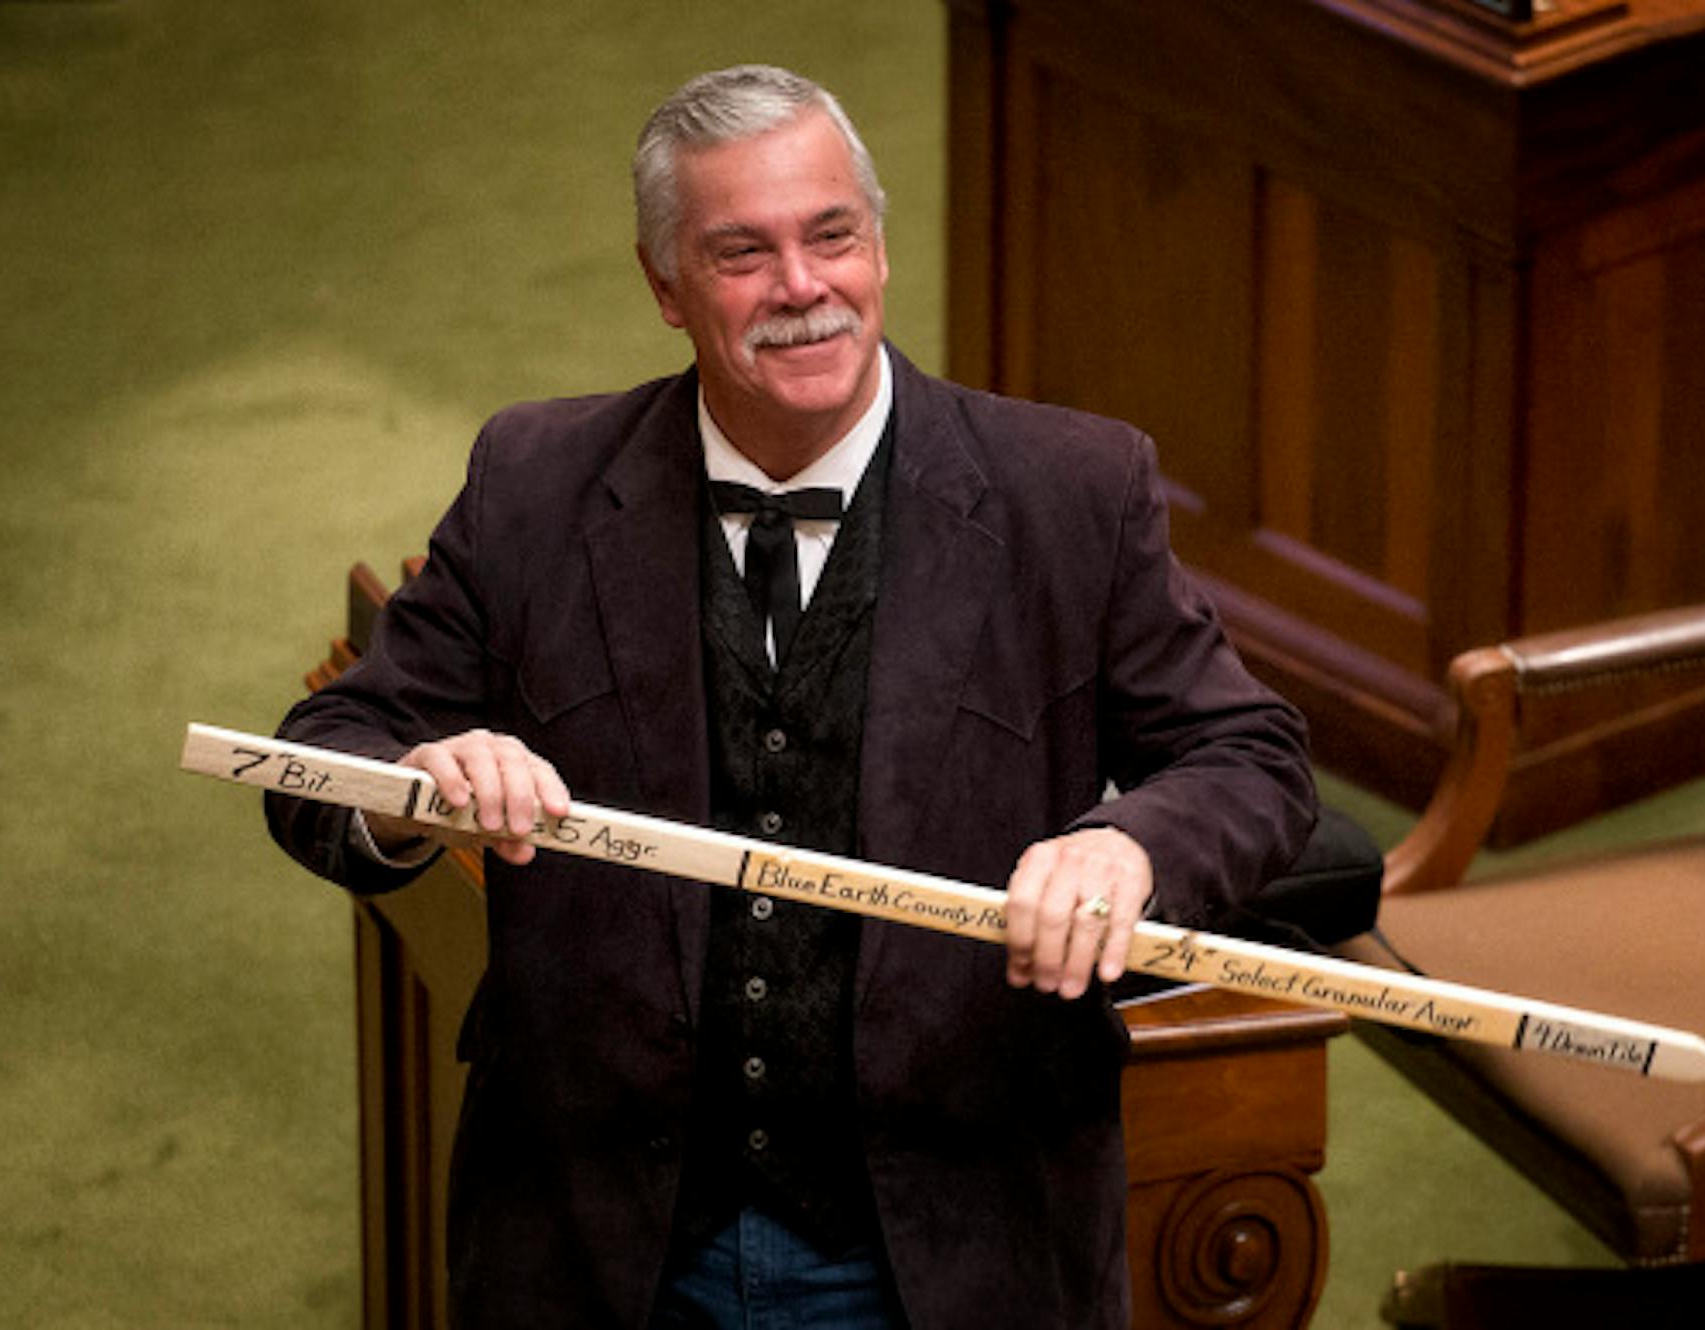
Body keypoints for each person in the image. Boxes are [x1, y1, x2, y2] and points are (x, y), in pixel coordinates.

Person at [265, 63, 1314, 1330]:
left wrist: (1127, 844)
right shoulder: (533, 482)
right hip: (602, 1239)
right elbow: (318, 758)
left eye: (832, 237)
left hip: (959, 1239)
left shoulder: (1072, 492)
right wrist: (413, 785)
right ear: (665, 285)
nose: (802, 288)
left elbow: (1253, 760)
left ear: (878, 244)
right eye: (741, 253)